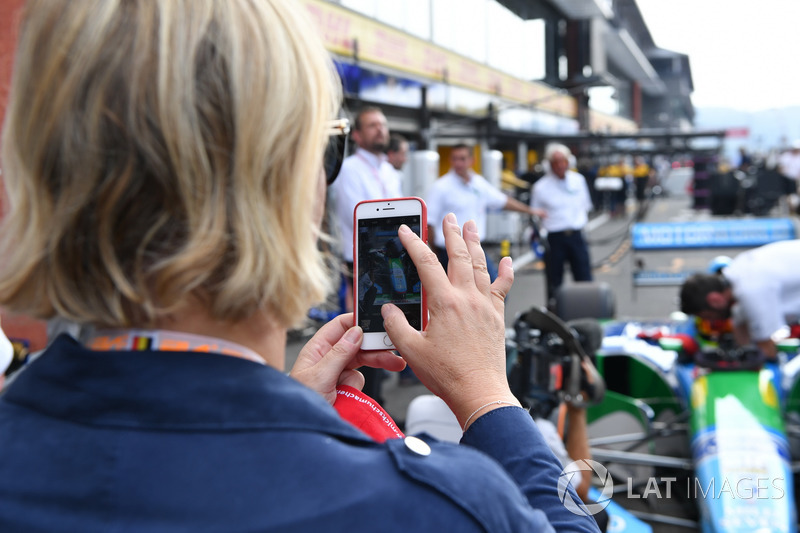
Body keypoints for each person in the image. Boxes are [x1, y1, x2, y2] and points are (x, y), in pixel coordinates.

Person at [0, 2, 599, 532]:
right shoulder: (431, 505)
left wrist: (291, 411)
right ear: (285, 178)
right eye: (328, 148)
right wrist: (488, 397)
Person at [426, 144, 545, 280]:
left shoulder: (478, 183)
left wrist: (531, 211)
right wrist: (438, 255)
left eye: (462, 158)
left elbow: (503, 201)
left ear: (472, 160)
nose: (458, 163)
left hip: (475, 248)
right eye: (455, 159)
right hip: (450, 251)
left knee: (494, 287)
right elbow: (429, 224)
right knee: (469, 293)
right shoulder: (441, 187)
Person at [680, 240, 800, 360]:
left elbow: (766, 348)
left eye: (709, 317)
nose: (713, 321)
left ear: (715, 300)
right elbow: (739, 323)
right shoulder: (739, 269)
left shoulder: (750, 290)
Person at [530, 143, 594, 306]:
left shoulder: (578, 180)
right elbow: (535, 214)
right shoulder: (540, 187)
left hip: (576, 236)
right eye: (555, 162)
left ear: (569, 162)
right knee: (554, 281)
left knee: (584, 277)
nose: (559, 165)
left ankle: (587, 310)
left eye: (562, 161)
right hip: (554, 238)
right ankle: (555, 315)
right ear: (549, 164)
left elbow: (585, 205)